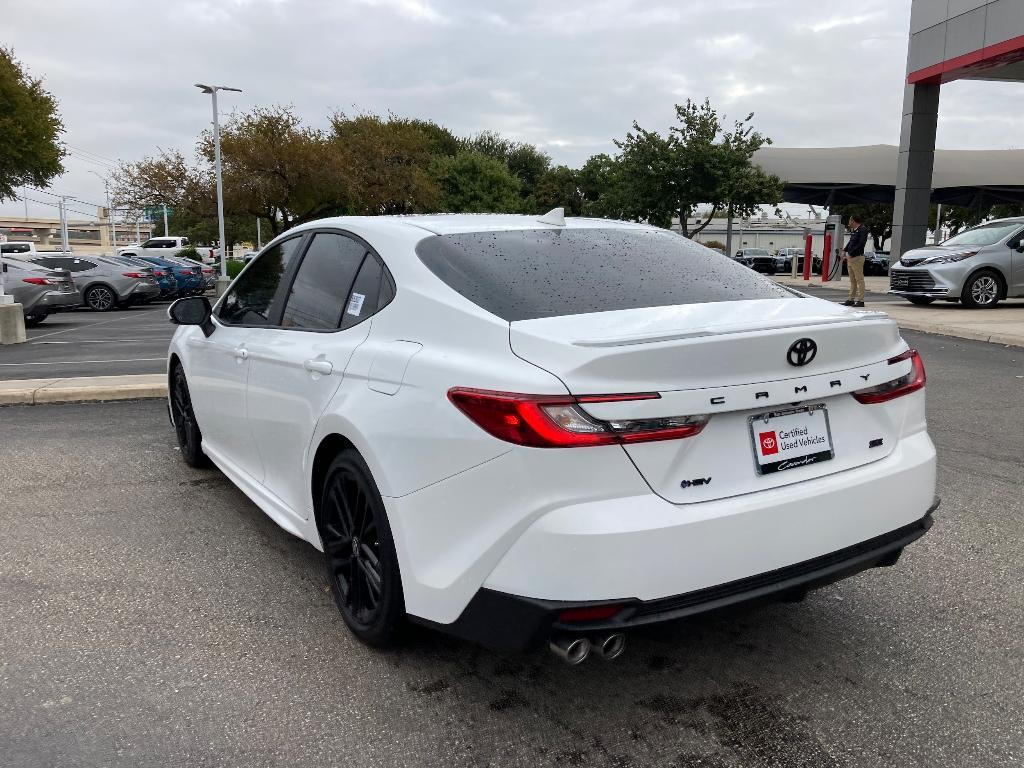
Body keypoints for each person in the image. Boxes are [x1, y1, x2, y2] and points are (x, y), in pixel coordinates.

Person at [841, 214, 870, 307]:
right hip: (851, 258)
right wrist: (845, 250)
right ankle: (851, 299)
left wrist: (851, 253)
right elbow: (851, 242)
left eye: (850, 220)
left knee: (859, 279)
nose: (849, 222)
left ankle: (861, 300)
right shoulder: (855, 230)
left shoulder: (863, 229)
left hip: (857, 258)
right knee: (853, 280)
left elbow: (861, 244)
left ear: (853, 221)